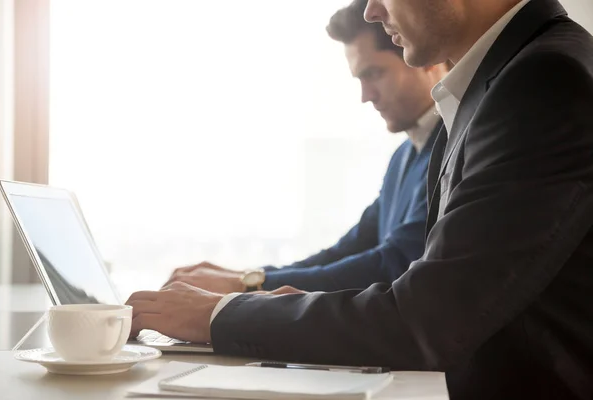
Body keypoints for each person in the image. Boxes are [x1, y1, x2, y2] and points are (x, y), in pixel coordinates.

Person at [127, 0, 593, 398]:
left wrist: (221, 312)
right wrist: (259, 295)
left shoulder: (543, 81)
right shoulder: (505, 84)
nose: (372, 9)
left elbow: (424, 319)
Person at [164, 0, 446, 294]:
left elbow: (392, 263)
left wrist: (247, 285)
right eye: (360, 79)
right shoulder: (404, 157)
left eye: (374, 73)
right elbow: (345, 252)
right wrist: (249, 277)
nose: (366, 96)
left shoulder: (451, 146)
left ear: (423, 59)